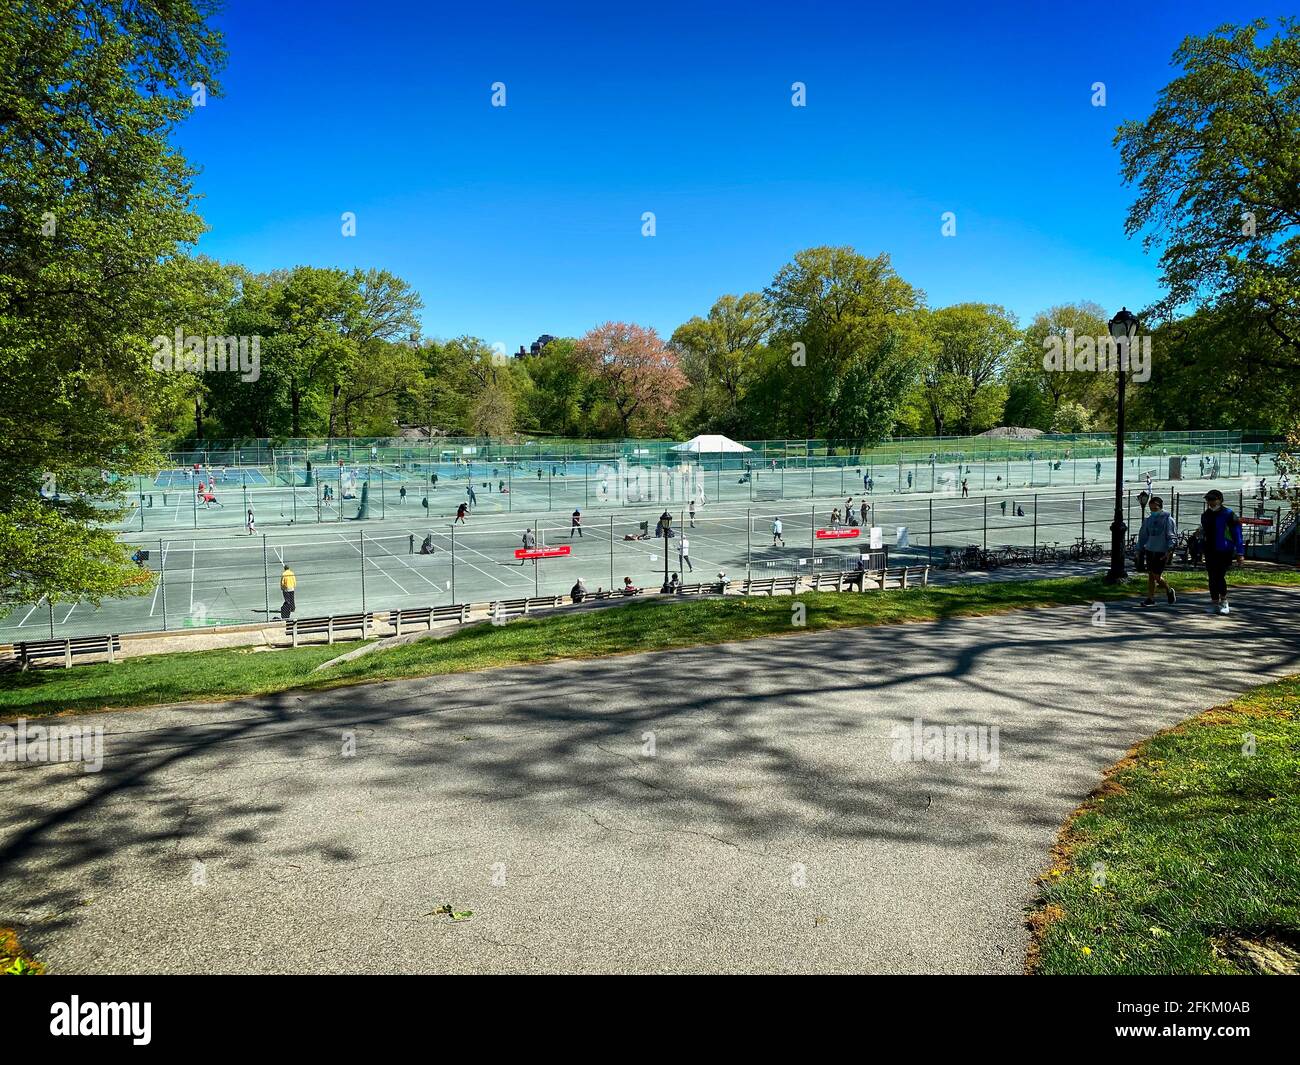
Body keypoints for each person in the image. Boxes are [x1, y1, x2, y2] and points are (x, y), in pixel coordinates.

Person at [1201, 489, 1244, 615]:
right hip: (1210, 550)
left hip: (1224, 550)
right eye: (1208, 500)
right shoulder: (1206, 515)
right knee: (1212, 577)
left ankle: (1224, 601)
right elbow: (1205, 532)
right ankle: (1214, 603)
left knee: (1219, 576)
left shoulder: (1229, 514)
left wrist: (1240, 553)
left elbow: (1237, 534)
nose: (1210, 502)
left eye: (1213, 499)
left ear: (1220, 499)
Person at [1137, 496, 1177, 606]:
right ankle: (1150, 598)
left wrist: (1169, 550)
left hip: (1161, 551)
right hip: (1150, 550)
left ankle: (1169, 590)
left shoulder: (1168, 519)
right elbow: (1143, 535)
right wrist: (1139, 549)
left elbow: (1171, 536)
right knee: (1150, 575)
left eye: (1155, 509)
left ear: (1160, 507)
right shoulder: (1148, 520)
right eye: (1151, 509)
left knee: (1156, 576)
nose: (1153, 511)